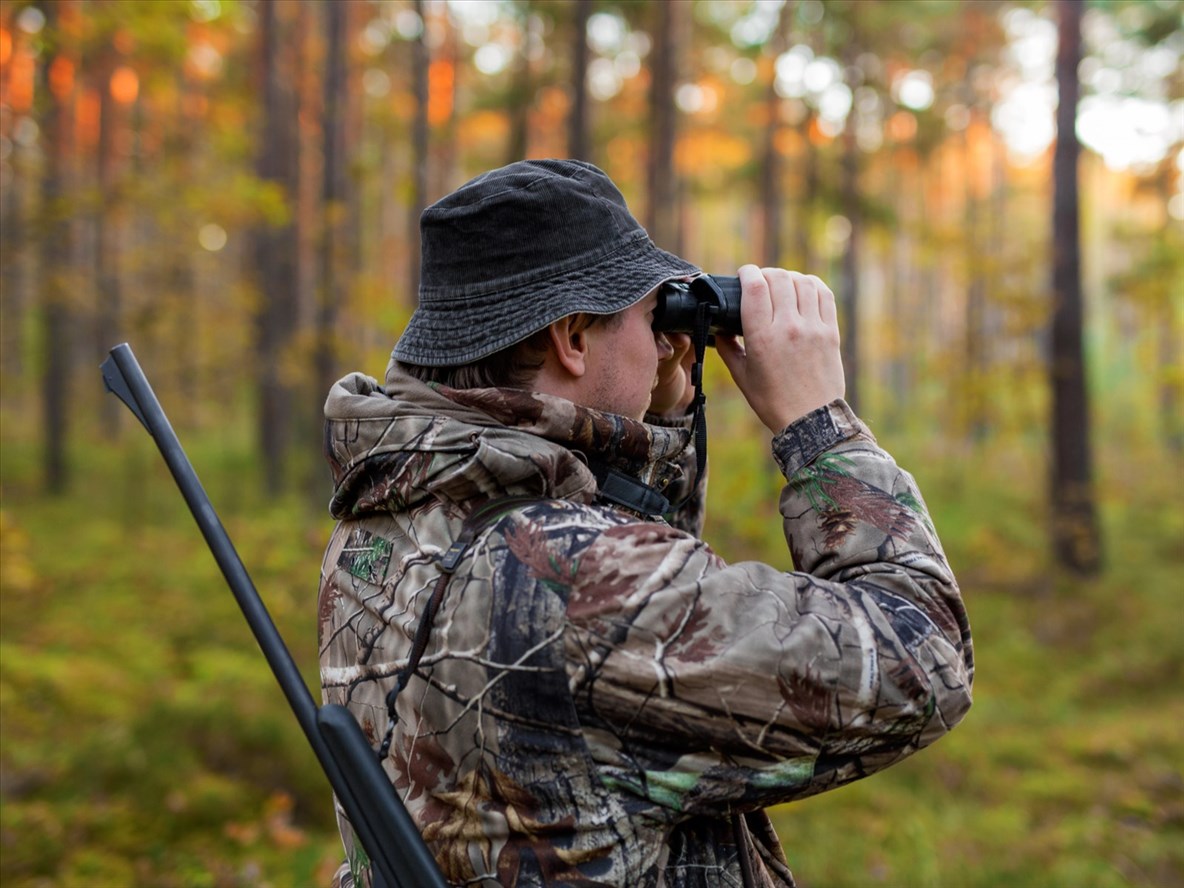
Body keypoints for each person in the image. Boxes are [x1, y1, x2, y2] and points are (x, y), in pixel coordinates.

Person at [318, 159, 973, 887]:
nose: (664, 340)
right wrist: (820, 429)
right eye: (647, 314)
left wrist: (656, 416)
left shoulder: (392, 514)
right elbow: (923, 662)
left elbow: (608, 608)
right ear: (571, 336)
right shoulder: (579, 581)